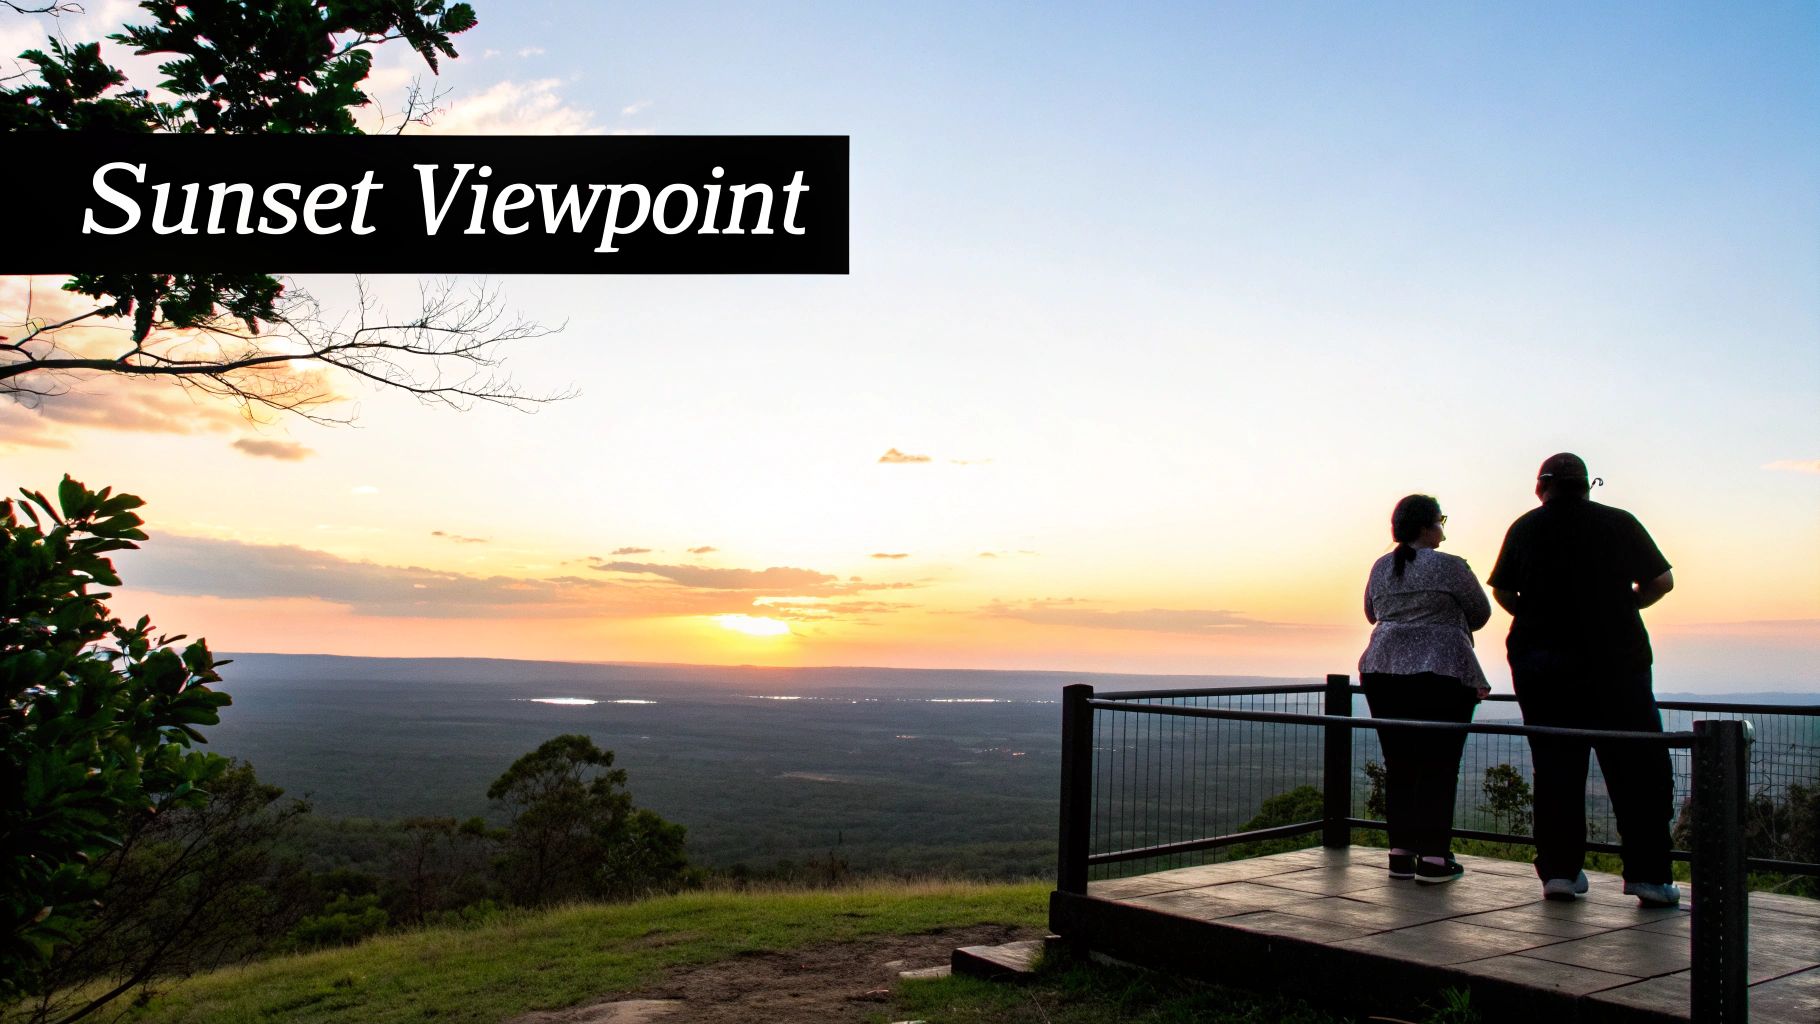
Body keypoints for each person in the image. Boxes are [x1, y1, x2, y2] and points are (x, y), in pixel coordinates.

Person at [1487, 453, 1680, 907]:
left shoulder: (1525, 528)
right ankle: (1649, 877)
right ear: (1586, 486)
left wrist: (1536, 613)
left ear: (1543, 487)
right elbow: (1662, 581)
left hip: (1542, 665)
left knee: (1555, 767)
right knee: (1639, 768)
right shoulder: (1619, 523)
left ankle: (1560, 872)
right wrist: (1627, 604)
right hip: (1616, 663)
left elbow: (1502, 590)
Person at [1358, 494, 1492, 885]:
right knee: (1439, 764)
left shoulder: (1382, 566)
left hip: (1382, 669)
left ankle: (1401, 853)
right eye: (1440, 521)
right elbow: (1480, 614)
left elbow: (1371, 613)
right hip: (1441, 671)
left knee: (1399, 764)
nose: (1443, 530)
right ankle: (1433, 858)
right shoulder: (1450, 567)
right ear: (1425, 526)